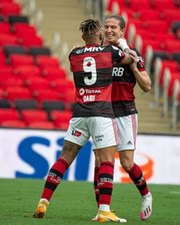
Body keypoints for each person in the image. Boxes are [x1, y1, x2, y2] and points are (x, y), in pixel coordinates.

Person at [33, 18, 134, 222]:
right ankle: (104, 210)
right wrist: (123, 47)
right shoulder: (110, 52)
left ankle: (43, 201)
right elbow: (130, 59)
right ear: (99, 34)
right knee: (106, 160)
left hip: (79, 114)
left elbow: (76, 67)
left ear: (82, 36)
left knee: (64, 158)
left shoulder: (73, 54)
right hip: (102, 114)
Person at [92, 15, 153, 221]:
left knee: (127, 163)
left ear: (122, 31)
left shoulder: (132, 54)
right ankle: (101, 209)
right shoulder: (99, 53)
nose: (109, 30)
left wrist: (134, 67)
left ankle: (146, 195)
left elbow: (147, 86)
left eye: (113, 27)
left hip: (125, 112)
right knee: (99, 161)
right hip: (103, 113)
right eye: (106, 27)